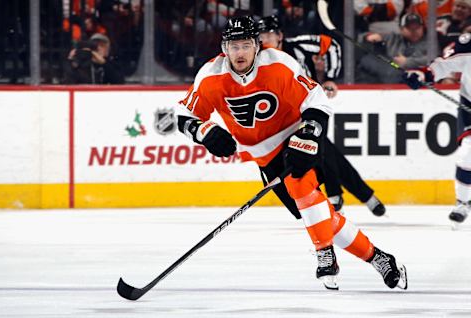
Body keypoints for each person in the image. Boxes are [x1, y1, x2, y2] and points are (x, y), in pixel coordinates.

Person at [175, 16, 407, 290]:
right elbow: (185, 114)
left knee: (300, 185)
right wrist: (204, 132)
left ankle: (324, 254)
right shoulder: (211, 76)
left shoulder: (278, 64)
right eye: (233, 46)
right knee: (318, 215)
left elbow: (315, 98)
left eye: (245, 45)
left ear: (257, 46)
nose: (239, 53)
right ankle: (379, 258)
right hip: (263, 155)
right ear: (224, 48)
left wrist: (309, 132)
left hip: (294, 136)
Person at [257, 15, 386, 215]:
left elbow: (331, 45)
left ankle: (335, 196)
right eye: (260, 36)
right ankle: (365, 195)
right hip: (286, 118)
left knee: (319, 147)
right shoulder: (258, 61)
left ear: (280, 35)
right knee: (323, 150)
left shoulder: (299, 46)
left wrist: (331, 78)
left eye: (268, 34)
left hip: (312, 109)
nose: (264, 40)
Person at [403, 31, 471, 225]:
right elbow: (443, 64)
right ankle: (463, 202)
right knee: (468, 151)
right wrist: (422, 74)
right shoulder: (467, 44)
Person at [357, 12, 429, 84]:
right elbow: (361, 37)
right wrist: (367, 37)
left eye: (417, 28)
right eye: (409, 28)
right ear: (401, 29)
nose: (414, 31)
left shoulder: (431, 41)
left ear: (422, 28)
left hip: (423, 80)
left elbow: (434, 59)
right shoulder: (393, 38)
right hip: (392, 79)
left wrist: (407, 62)